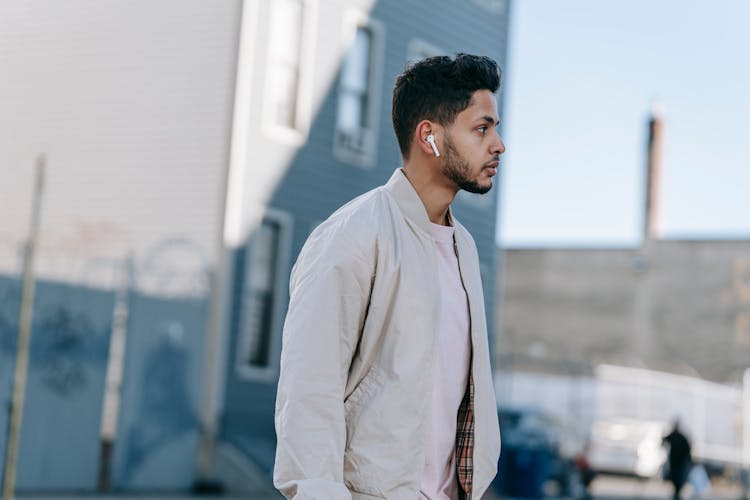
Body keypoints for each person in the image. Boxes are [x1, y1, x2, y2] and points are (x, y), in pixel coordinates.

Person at [273, 53, 506, 499]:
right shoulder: (353, 236)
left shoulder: (466, 250)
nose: (498, 144)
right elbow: (309, 395)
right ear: (429, 137)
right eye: (482, 128)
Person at [663, 419, 692, 500]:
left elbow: (688, 450)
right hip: (674, 463)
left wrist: (689, 461)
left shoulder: (681, 437)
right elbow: (663, 440)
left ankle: (677, 494)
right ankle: (677, 494)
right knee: (675, 479)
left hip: (680, 463)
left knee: (678, 479)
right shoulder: (674, 436)